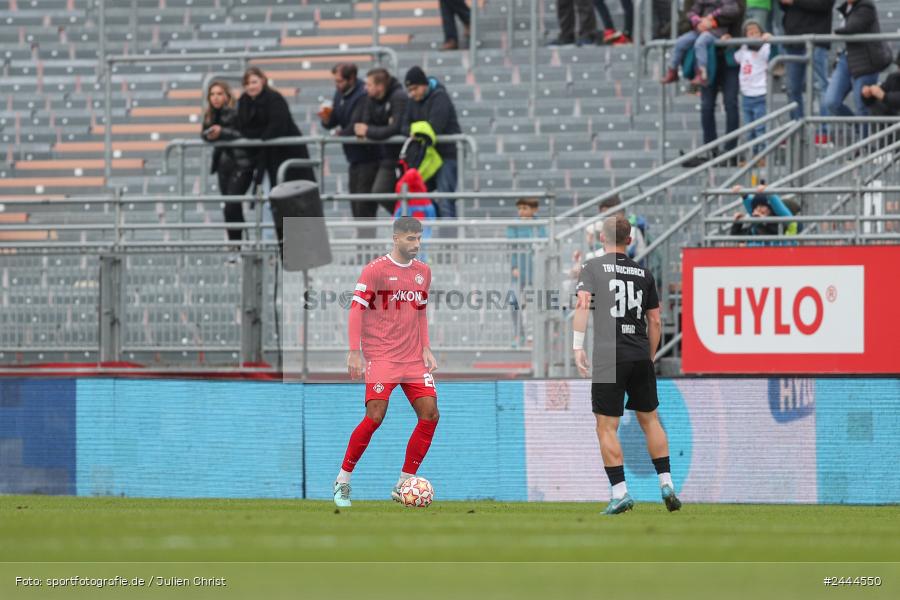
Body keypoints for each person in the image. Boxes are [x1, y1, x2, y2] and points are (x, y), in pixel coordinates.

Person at [573, 215, 681, 515]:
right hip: (639, 352)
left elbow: (582, 304)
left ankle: (620, 492)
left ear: (601, 239)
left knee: (606, 426)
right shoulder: (644, 274)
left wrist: (577, 345)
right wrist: (650, 354)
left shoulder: (593, 267)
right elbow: (656, 320)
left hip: (609, 354)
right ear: (630, 240)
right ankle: (666, 484)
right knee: (651, 420)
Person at [335, 217, 439, 507]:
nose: (416, 244)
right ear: (396, 239)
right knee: (375, 416)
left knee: (430, 414)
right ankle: (342, 481)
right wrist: (354, 351)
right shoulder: (375, 270)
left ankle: (404, 482)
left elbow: (420, 312)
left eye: (419, 238)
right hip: (381, 356)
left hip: (413, 358)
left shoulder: (423, 272)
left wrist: (427, 347)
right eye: (410, 239)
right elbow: (356, 309)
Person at [237, 67, 316, 250]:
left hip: (286, 157)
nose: (251, 87)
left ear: (263, 81)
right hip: (266, 159)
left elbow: (277, 127)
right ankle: (269, 246)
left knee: (289, 201)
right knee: (266, 200)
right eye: (247, 83)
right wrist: (259, 136)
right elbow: (244, 128)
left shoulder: (274, 99)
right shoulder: (244, 103)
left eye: (254, 82)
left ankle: (293, 247)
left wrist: (256, 136)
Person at [319, 63, 380, 233]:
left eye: (339, 81)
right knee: (355, 203)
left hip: (368, 157)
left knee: (363, 205)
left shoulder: (362, 94)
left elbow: (356, 124)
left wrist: (339, 134)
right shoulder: (340, 94)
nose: (336, 85)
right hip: (353, 157)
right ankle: (363, 247)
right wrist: (326, 120)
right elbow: (334, 120)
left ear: (351, 78)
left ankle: (367, 247)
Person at [402, 66, 462, 223]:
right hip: (426, 157)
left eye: (415, 88)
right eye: (409, 90)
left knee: (445, 201)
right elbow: (403, 126)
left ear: (424, 84)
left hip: (446, 156)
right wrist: (420, 130)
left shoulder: (440, 97)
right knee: (417, 197)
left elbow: (435, 127)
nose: (412, 93)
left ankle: (449, 246)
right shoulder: (411, 101)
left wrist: (416, 130)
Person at [353, 67, 409, 236]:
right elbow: (363, 123)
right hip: (383, 157)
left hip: (400, 157)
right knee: (375, 194)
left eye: (369, 84)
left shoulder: (399, 97)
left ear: (380, 86)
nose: (365, 88)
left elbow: (396, 128)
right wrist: (383, 127)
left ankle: (409, 220)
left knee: (382, 192)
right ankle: (407, 220)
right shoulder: (370, 99)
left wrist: (370, 131)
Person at [201, 80, 253, 246]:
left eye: (219, 94)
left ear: (227, 95)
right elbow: (203, 133)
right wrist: (209, 134)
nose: (215, 98)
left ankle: (238, 244)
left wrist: (223, 132)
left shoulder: (237, 111)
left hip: (242, 163)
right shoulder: (210, 114)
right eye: (212, 94)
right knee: (231, 207)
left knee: (231, 205)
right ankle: (237, 245)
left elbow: (245, 134)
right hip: (223, 165)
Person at [824, 0, 892, 119]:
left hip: (866, 62)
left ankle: (864, 136)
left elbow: (853, 27)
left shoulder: (867, 6)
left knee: (862, 107)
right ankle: (858, 130)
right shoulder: (848, 7)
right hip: (848, 58)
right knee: (831, 101)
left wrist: (835, 31)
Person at [660, 0, 743, 86]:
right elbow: (690, 13)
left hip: (717, 31)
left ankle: (702, 73)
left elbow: (733, 10)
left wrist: (713, 16)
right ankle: (673, 71)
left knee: (700, 42)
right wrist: (697, 20)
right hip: (700, 29)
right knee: (681, 42)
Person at [779, 0, 834, 127]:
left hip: (816, 38)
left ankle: (824, 133)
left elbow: (824, 4)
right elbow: (784, 6)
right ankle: (797, 131)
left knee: (820, 86)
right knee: (793, 89)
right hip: (793, 38)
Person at [506, 198, 547, 347]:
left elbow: (544, 243)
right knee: (514, 301)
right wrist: (514, 267)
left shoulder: (540, 225)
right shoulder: (513, 225)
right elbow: (511, 247)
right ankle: (519, 336)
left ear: (534, 210)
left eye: (525, 208)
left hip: (536, 269)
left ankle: (540, 337)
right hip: (519, 270)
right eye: (520, 208)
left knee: (540, 303)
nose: (521, 211)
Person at [732, 20, 773, 156]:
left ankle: (762, 154)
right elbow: (733, 58)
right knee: (749, 129)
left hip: (760, 93)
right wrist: (729, 41)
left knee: (760, 127)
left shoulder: (764, 48)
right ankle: (752, 154)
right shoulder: (743, 49)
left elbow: (772, 54)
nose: (754, 35)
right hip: (746, 94)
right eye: (750, 33)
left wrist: (769, 40)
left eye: (757, 32)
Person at [729, 183, 797, 238]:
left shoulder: (779, 225)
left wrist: (763, 221)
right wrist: (738, 222)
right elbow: (734, 235)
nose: (758, 209)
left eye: (762, 206)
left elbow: (772, 232)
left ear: (770, 209)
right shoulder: (754, 227)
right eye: (756, 207)